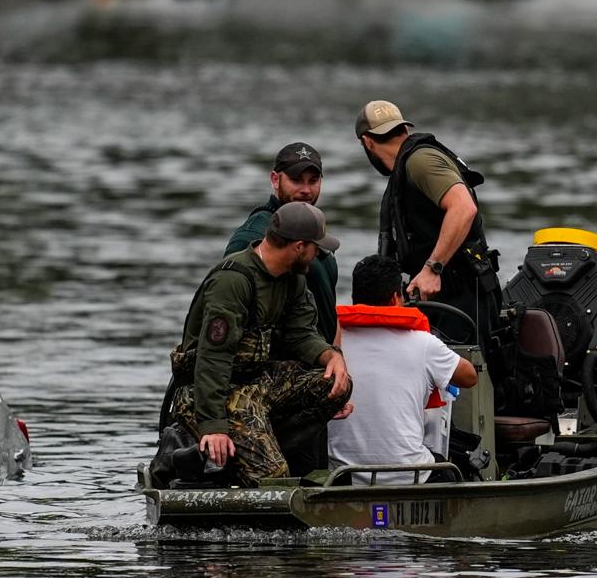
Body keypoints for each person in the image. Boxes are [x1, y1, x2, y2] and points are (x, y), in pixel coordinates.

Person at [166, 202, 353, 487]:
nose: (319, 255)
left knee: (335, 384)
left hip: (256, 384)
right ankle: (203, 457)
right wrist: (214, 426)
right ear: (299, 247)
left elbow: (302, 334)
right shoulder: (233, 281)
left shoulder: (293, 279)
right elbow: (213, 358)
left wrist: (332, 356)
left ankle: (255, 447)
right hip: (207, 392)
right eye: (316, 248)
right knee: (273, 478)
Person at [355, 100, 502, 347]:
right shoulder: (407, 165)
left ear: (367, 142)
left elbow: (464, 208)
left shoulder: (420, 161)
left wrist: (432, 268)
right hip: (445, 296)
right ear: (404, 129)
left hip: (463, 297)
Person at [327, 254, 478, 484]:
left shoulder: (331, 345)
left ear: (354, 298)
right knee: (458, 466)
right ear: (395, 297)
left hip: (343, 477)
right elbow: (469, 377)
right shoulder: (424, 343)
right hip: (410, 475)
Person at [225, 142, 339, 346]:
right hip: (280, 361)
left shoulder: (316, 233)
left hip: (320, 356)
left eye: (313, 181)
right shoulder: (252, 236)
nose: (306, 190)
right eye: (296, 180)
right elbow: (228, 309)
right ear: (275, 179)